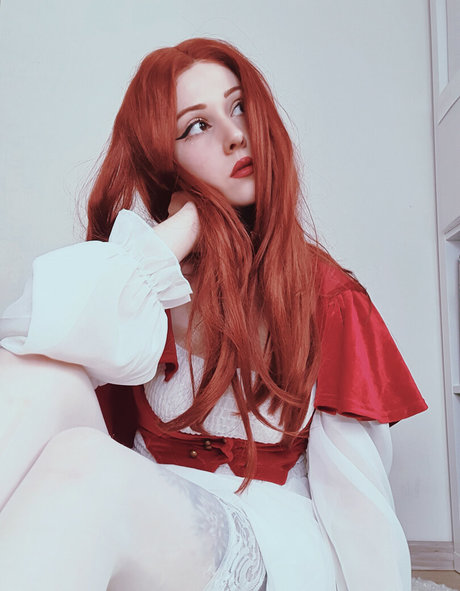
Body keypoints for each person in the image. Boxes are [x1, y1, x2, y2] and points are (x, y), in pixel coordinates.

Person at [0, 38, 427, 591]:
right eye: (197, 126)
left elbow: (357, 498)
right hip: (144, 520)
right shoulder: (145, 291)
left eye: (240, 106)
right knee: (39, 372)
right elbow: (30, 335)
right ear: (164, 158)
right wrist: (178, 232)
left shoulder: (325, 294)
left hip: (271, 537)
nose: (235, 135)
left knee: (83, 461)